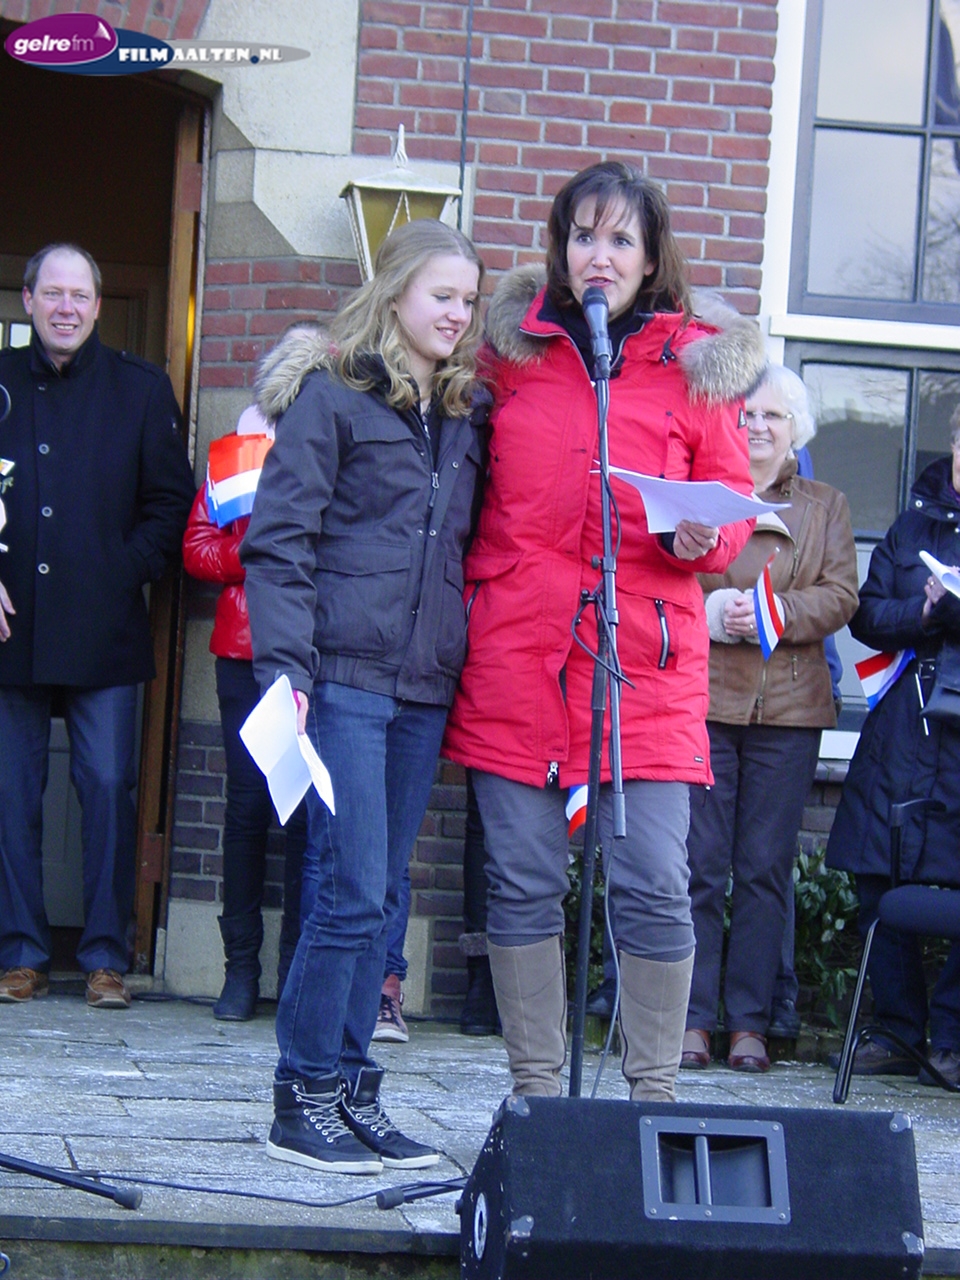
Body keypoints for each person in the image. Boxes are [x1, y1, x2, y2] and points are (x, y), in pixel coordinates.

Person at [442, 161, 765, 1102]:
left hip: (645, 664)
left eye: (622, 239)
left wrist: (706, 534)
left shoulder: (696, 369)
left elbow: (731, 507)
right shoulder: (510, 357)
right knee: (521, 881)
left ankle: (652, 1097)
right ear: (561, 247)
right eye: (585, 235)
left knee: (655, 879)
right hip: (518, 653)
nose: (601, 255)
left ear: (651, 257)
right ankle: (538, 1097)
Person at [240, 219, 489, 1172]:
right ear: (394, 293)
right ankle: (301, 1094)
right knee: (346, 889)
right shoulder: (334, 397)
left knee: (380, 895)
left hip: (421, 687)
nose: (457, 315)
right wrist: (287, 672)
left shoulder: (463, 414)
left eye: (469, 301)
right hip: (341, 679)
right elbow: (279, 541)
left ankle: (349, 1090)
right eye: (441, 295)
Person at [0, 243, 195, 1008]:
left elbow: (171, 505)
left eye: (79, 295)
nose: (66, 308)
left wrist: (119, 573)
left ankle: (106, 956)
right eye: (53, 293)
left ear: (97, 304)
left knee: (109, 789)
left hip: (105, 629)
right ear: (27, 300)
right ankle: (21, 952)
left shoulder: (139, 389)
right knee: (12, 793)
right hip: (10, 630)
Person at [681, 365, 859, 1072]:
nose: (757, 426)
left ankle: (749, 1023)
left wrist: (773, 612)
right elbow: (665, 570)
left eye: (773, 417)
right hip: (705, 703)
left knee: (763, 870)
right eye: (746, 414)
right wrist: (707, 610)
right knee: (698, 865)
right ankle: (692, 1019)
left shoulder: (825, 505)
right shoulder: (703, 494)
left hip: (790, 711)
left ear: (796, 431)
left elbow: (842, 594)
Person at [825, 410, 960, 1086]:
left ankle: (954, 1038)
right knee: (879, 871)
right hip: (906, 727)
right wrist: (928, 612)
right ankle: (899, 1030)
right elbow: (868, 613)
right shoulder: (911, 527)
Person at [182, 387, 310, 1021]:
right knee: (248, 806)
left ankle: (294, 975)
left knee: (303, 812)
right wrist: (252, 548)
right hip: (241, 651)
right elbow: (196, 548)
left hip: (308, 654)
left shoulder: (328, 439)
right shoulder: (237, 448)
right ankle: (240, 970)